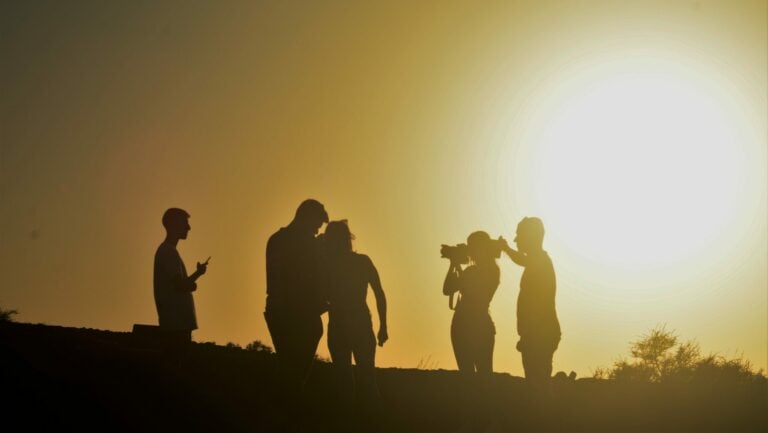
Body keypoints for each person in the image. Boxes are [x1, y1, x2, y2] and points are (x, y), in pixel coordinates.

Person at [322, 220, 388, 426]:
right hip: (356, 322)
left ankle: (356, 421)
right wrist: (383, 325)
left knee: (347, 376)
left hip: (343, 323)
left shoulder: (329, 265)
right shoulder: (361, 262)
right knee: (365, 376)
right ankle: (369, 422)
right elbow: (379, 293)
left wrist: (383, 326)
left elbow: (379, 293)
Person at [264, 199, 329, 400]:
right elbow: (306, 277)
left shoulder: (276, 239)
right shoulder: (306, 243)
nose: (317, 230)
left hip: (279, 309)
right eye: (316, 225)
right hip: (295, 311)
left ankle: (286, 404)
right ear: (307, 218)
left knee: (288, 364)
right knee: (294, 369)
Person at [500, 217, 561, 386]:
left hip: (539, 334)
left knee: (537, 385)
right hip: (539, 333)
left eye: (519, 235)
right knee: (537, 383)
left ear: (530, 237)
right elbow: (522, 260)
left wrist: (529, 334)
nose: (516, 240)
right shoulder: (539, 260)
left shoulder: (540, 261)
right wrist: (506, 249)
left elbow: (538, 306)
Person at [153, 207, 209, 362]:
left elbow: (178, 284)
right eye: (185, 223)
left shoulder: (169, 251)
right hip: (175, 326)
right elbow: (180, 286)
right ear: (174, 225)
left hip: (177, 325)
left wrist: (197, 274)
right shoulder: (167, 252)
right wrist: (194, 282)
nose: (188, 228)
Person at [442, 231, 501, 374]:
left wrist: (458, 262)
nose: (469, 251)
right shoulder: (472, 270)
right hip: (464, 324)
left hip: (476, 324)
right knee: (467, 373)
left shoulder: (491, 270)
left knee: (483, 373)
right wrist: (453, 263)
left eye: (472, 247)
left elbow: (473, 288)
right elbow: (447, 289)